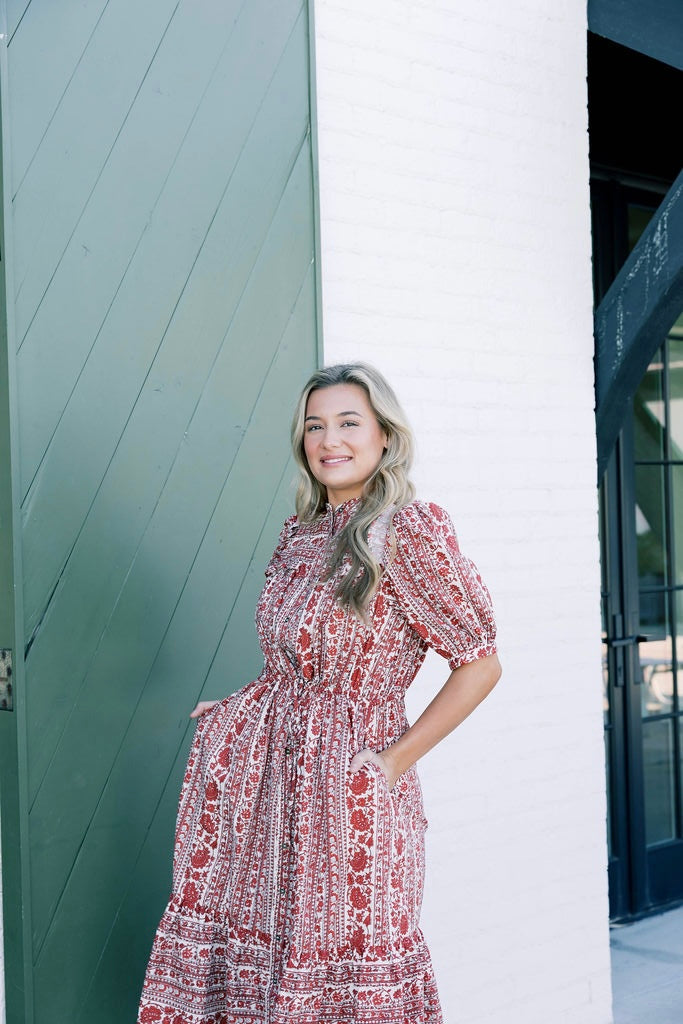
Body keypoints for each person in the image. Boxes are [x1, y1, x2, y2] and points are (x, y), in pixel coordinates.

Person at [137, 362, 501, 1024]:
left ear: (385, 437)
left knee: (348, 964)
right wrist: (241, 707)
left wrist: (392, 761)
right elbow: (297, 664)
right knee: (270, 957)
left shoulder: (408, 530)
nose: (329, 439)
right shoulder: (300, 532)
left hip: (349, 791)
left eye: (348, 422)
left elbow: (478, 664)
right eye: (314, 425)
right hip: (266, 789)